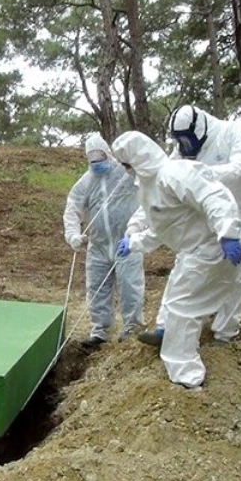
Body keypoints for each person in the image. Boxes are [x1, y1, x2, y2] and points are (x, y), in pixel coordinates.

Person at [111, 131, 241, 389]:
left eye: (127, 165)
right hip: (193, 252)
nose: (126, 170)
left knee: (183, 310)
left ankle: (187, 379)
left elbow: (212, 196)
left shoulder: (174, 173)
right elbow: (163, 227)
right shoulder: (150, 185)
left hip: (211, 248)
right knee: (174, 297)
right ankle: (166, 335)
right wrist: (134, 243)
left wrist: (227, 232)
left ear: (137, 159)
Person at [137, 104, 241, 348]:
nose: (183, 146)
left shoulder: (234, 132)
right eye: (178, 141)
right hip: (206, 216)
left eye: (186, 140)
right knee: (185, 264)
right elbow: (161, 183)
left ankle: (224, 334)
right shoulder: (181, 153)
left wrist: (196, 175)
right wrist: (138, 224)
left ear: (200, 128)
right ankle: (166, 326)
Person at [63, 133, 146, 349]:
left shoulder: (125, 173)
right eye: (92, 161)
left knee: (130, 286)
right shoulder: (86, 182)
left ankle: (132, 328)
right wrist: (73, 235)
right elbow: (72, 209)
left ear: (108, 155)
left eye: (100, 160)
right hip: (98, 246)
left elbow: (146, 177)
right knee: (97, 289)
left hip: (125, 242)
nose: (97, 165)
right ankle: (100, 331)